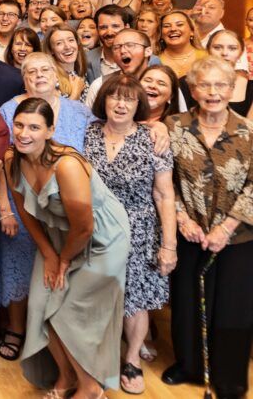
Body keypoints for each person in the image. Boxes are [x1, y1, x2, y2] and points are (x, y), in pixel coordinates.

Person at [7, 98, 130, 399]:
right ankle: (66, 376)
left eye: (34, 127)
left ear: (50, 131)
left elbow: (85, 227)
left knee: (66, 311)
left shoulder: (68, 165)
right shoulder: (13, 159)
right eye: (19, 124)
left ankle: (90, 387)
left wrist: (62, 261)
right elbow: (26, 214)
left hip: (101, 239)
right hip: (58, 238)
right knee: (39, 306)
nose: (24, 133)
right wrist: (49, 255)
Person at [0, 52, 96, 350]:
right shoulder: (9, 110)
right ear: (23, 78)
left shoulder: (80, 111)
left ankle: (53, 337)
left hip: (68, 208)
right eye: (31, 71)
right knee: (18, 265)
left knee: (61, 271)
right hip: (21, 201)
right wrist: (5, 209)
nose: (38, 75)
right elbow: (1, 161)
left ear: (57, 73)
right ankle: (17, 329)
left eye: (45, 69)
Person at [161, 56, 253, 399]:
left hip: (239, 235)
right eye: (204, 85)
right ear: (192, 89)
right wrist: (182, 220)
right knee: (186, 302)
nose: (212, 92)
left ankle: (229, 377)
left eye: (220, 85)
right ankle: (189, 366)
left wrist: (226, 228)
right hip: (189, 231)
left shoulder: (248, 131)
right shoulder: (173, 127)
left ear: (231, 90)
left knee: (234, 306)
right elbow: (166, 179)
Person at [84, 74, 175, 394]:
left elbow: (165, 196)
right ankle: (97, 359)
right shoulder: (88, 132)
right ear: (103, 100)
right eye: (114, 97)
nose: (121, 104)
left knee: (135, 301)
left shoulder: (153, 139)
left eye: (129, 99)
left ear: (139, 105)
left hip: (139, 229)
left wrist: (169, 245)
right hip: (95, 228)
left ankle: (132, 358)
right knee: (96, 297)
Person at [207, 29, 253, 115]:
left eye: (232, 48)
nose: (224, 53)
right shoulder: (188, 82)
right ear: (208, 50)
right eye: (217, 47)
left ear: (241, 53)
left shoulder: (251, 87)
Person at [156, 10, 206, 82]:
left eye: (179, 24)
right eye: (166, 26)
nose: (173, 29)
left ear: (192, 31)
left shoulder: (206, 57)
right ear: (161, 35)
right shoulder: (153, 61)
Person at [44, 25, 87, 100]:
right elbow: (59, 112)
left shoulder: (81, 73)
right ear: (51, 50)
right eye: (59, 43)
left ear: (77, 44)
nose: (67, 47)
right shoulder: (50, 79)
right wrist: (75, 93)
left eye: (71, 40)